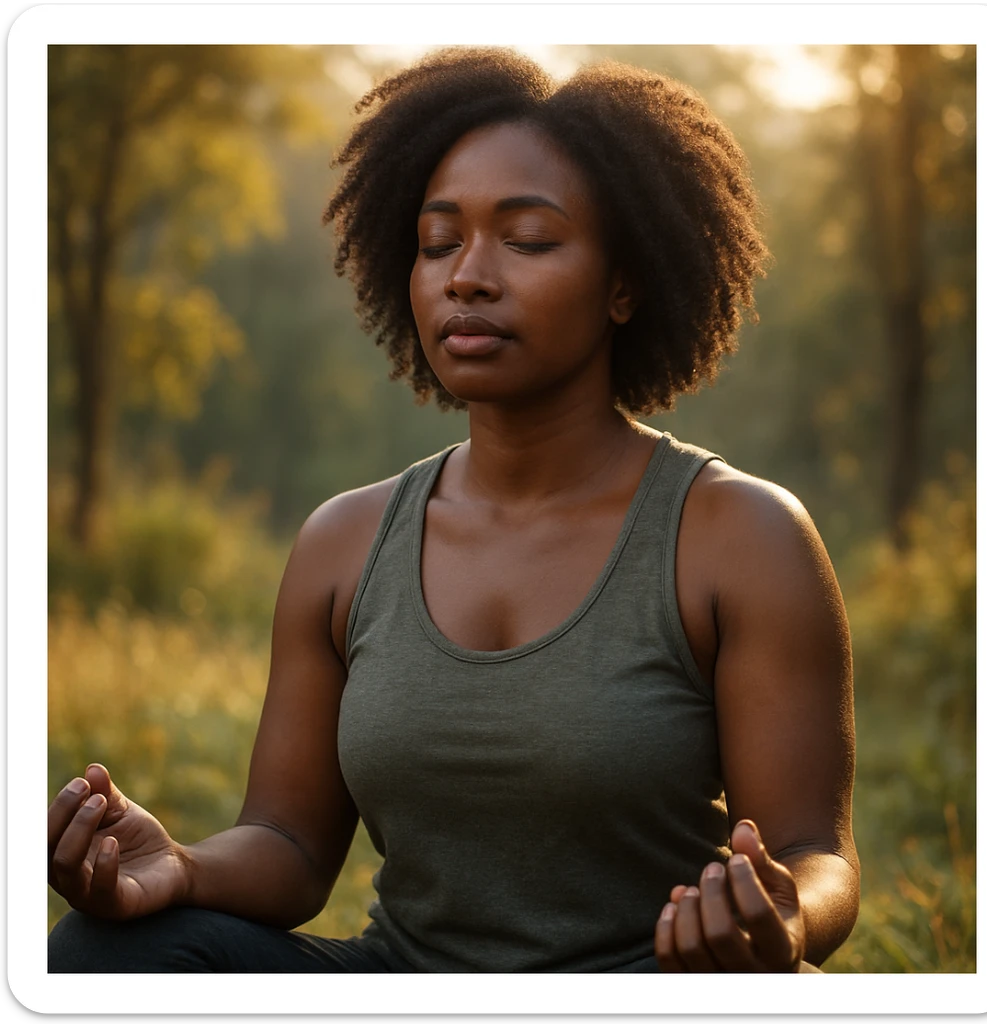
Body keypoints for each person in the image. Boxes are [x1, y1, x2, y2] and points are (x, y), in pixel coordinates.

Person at [48, 47, 859, 974]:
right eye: (439, 243)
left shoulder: (741, 537)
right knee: (98, 954)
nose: (467, 276)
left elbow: (815, 853)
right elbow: (290, 845)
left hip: (655, 984)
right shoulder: (344, 544)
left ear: (626, 283)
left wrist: (783, 914)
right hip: (407, 977)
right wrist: (180, 870)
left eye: (528, 240)